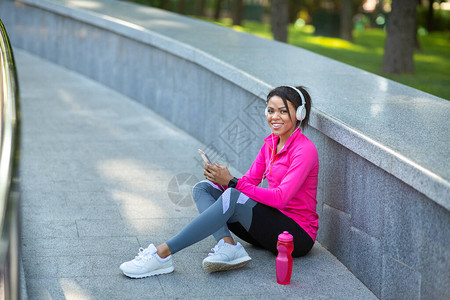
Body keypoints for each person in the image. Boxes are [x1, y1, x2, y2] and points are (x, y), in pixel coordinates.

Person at [120, 85, 319, 278]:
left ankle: (161, 255)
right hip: (268, 228)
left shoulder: (304, 150)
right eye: (270, 110)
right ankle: (228, 246)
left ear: (298, 114)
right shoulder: (271, 144)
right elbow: (250, 180)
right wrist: (221, 180)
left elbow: (280, 199)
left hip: (296, 237)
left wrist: (232, 182)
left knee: (232, 194)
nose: (275, 117)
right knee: (203, 188)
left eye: (283, 111)